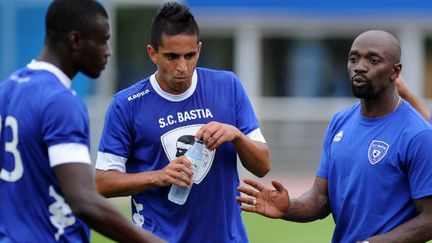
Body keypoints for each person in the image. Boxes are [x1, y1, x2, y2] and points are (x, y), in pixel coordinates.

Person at [94, 1, 270, 242]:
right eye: (172, 56)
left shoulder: (228, 86)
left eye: (190, 55)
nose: (182, 67)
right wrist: (159, 176)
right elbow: (102, 183)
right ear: (152, 53)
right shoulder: (127, 104)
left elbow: (263, 166)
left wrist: (236, 135)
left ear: (199, 48)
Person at [237, 30, 432, 243]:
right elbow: (320, 200)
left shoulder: (418, 134)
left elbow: (429, 219)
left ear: (395, 72)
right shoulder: (340, 121)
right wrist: (287, 207)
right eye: (354, 58)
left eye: (373, 60)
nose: (360, 66)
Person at [0, 0, 163, 242]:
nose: (108, 51)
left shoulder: (7, 89)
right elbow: (83, 200)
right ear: (75, 41)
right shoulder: (60, 102)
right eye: (102, 40)